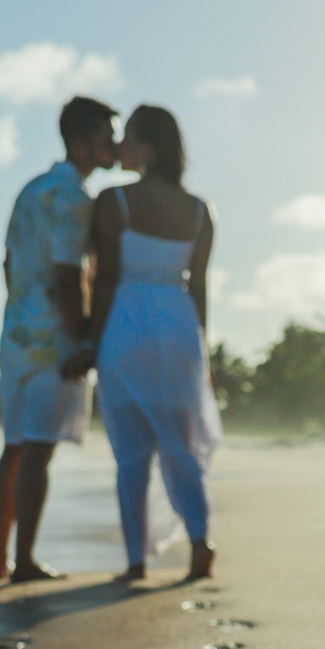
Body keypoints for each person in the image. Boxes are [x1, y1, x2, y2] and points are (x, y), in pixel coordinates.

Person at [77, 105, 220, 583]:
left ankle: (136, 560)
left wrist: (91, 342)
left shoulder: (113, 201)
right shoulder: (199, 211)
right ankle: (199, 540)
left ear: (149, 148)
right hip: (179, 325)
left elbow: (103, 279)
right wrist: (202, 353)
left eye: (130, 139)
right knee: (181, 443)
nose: (121, 147)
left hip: (125, 322)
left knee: (131, 450)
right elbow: (199, 287)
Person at [0, 95, 118, 581]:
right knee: (38, 452)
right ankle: (24, 561)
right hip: (53, 339)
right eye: (107, 138)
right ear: (81, 144)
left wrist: (22, 307)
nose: (114, 146)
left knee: (13, 447)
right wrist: (82, 337)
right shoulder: (74, 198)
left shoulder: (31, 189)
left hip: (15, 332)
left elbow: (8, 262)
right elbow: (69, 275)